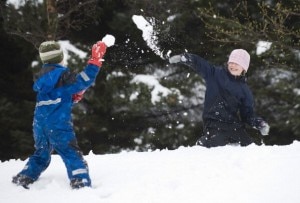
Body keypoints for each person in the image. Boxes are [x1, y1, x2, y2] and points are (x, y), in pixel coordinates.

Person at [12, 40, 107, 189]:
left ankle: (25, 176)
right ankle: (79, 179)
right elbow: (85, 80)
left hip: (40, 124)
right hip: (58, 124)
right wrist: (95, 61)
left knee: (41, 153)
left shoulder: (41, 78)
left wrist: (70, 97)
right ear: (60, 58)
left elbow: (54, 97)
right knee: (70, 152)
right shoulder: (63, 76)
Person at [169, 49, 270, 147]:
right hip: (213, 121)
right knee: (216, 144)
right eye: (231, 62)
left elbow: (247, 114)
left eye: (237, 63)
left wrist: (259, 124)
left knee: (248, 147)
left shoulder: (244, 90)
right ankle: (203, 144)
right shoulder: (215, 74)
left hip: (233, 125)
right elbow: (200, 63)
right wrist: (184, 58)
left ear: (244, 68)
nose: (233, 65)